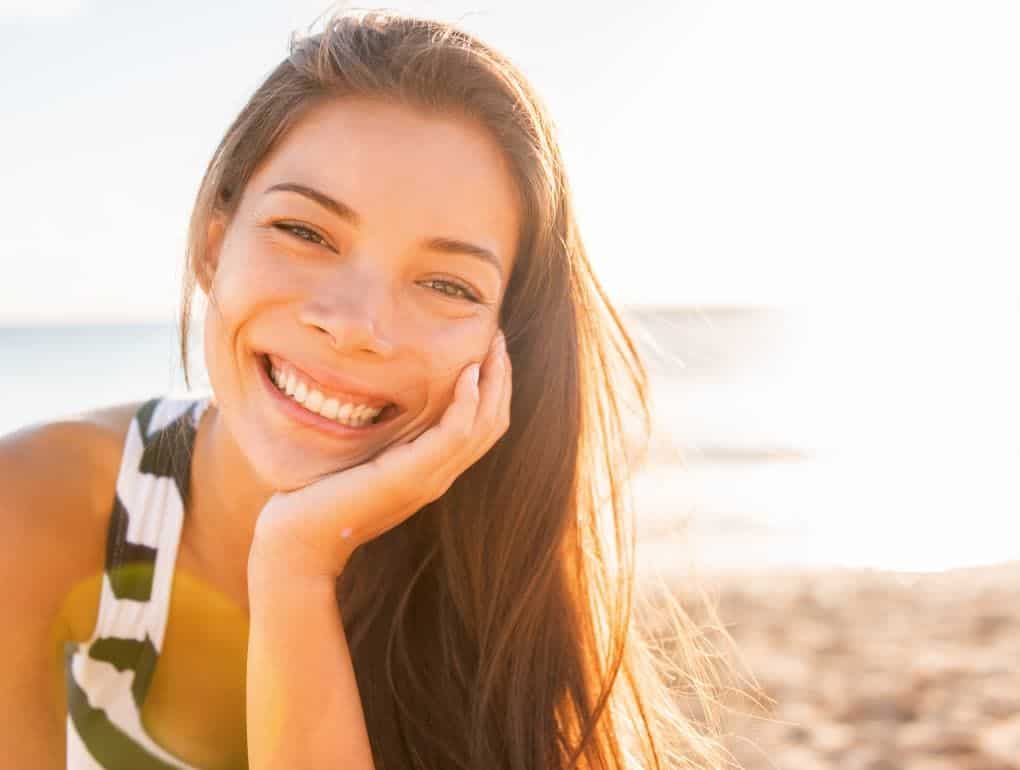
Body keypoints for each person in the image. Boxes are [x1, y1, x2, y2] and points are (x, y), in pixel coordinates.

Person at [0, 10, 748, 770]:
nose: (357, 326)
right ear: (213, 243)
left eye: (446, 283)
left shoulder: (498, 583)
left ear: (506, 343)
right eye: (306, 232)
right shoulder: (35, 509)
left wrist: (295, 571)